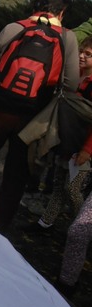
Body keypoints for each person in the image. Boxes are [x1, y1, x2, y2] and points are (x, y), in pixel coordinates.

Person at [0, 0, 79, 234]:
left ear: (35, 6)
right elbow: (71, 84)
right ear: (62, 12)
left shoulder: (14, 28)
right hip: (34, 116)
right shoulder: (67, 38)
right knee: (17, 172)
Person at [30, 37, 92, 232]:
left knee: (73, 189)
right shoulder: (76, 76)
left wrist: (87, 150)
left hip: (83, 146)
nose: (81, 55)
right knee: (58, 186)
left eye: (88, 54)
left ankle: (82, 228)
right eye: (81, 51)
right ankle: (45, 224)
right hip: (67, 140)